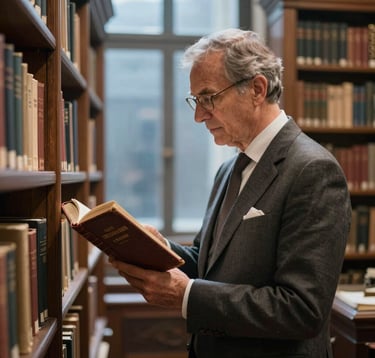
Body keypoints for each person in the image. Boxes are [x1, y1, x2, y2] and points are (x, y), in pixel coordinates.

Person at [110, 28, 351, 358]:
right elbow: (210, 263)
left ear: (256, 89)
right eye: (196, 101)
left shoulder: (313, 171)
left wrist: (187, 296)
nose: (198, 116)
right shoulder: (229, 169)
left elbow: (301, 310)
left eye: (209, 98)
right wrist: (158, 247)